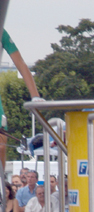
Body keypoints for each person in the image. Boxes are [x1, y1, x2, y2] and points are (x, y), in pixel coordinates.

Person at [0, 31, 42, 168]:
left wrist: (35, 96)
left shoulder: (2, 31)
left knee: (1, 144)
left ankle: (1, 183)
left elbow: (21, 63)